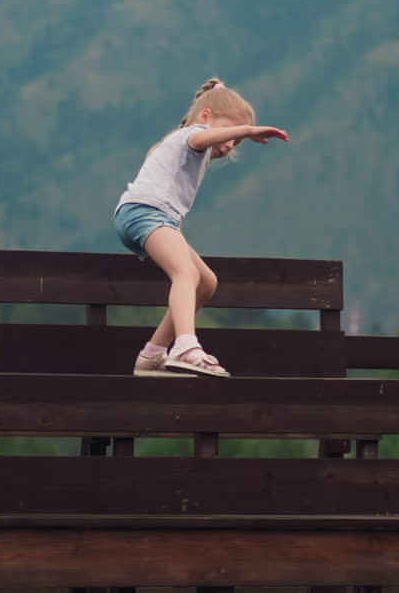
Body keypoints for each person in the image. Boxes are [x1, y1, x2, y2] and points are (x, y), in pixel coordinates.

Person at [113, 77, 289, 377]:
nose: (231, 143)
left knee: (206, 283)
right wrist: (247, 129)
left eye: (237, 141)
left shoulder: (192, 143)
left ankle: (152, 354)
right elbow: (200, 137)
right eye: (229, 133)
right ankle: (185, 345)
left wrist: (233, 122)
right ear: (206, 117)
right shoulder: (191, 135)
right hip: (144, 212)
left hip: (156, 217)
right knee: (186, 273)